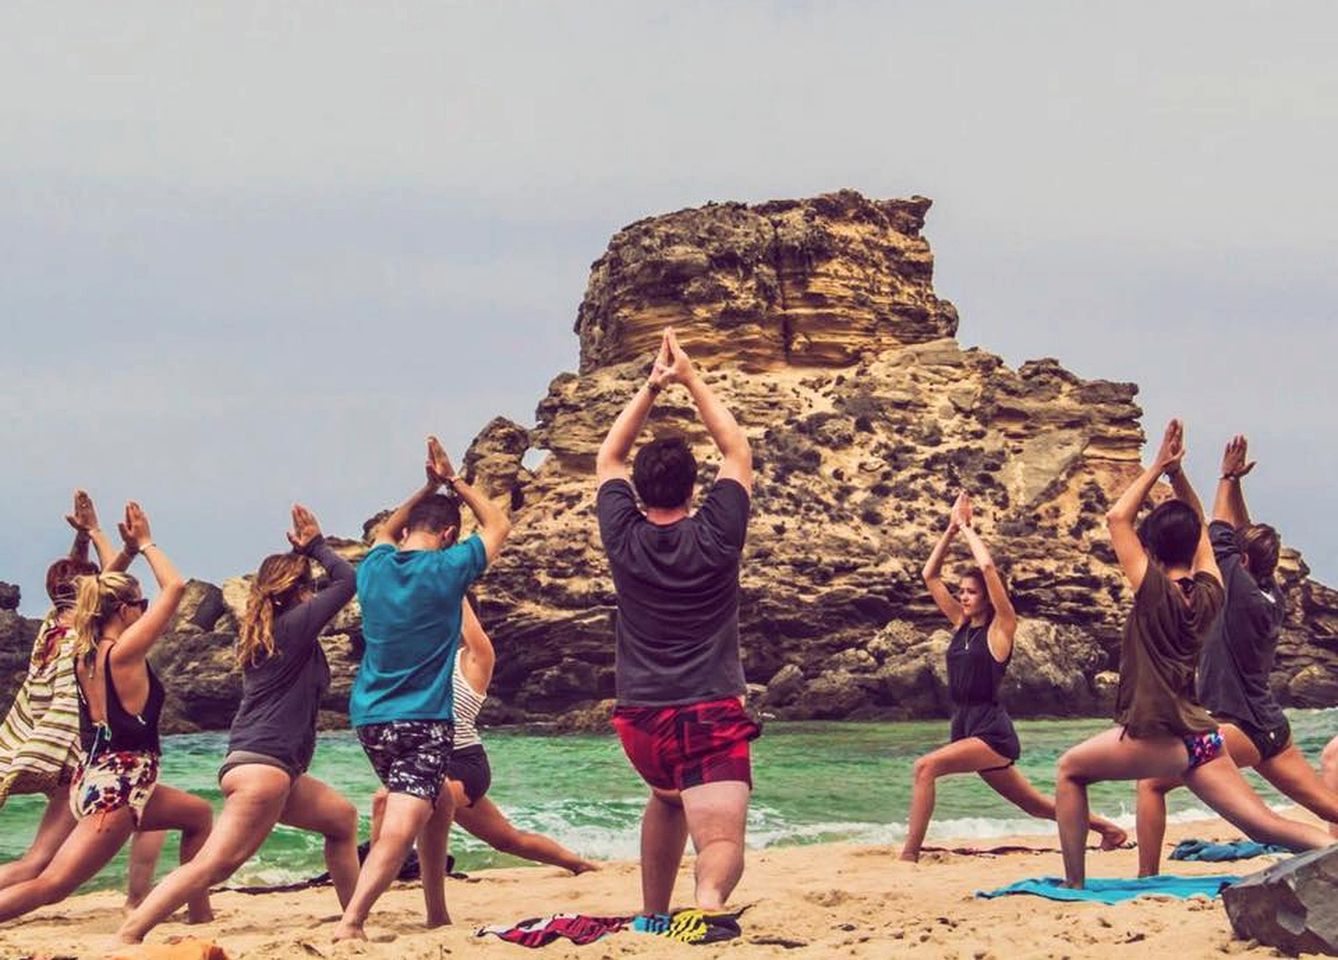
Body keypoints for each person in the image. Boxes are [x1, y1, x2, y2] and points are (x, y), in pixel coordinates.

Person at [1053, 421, 1334, 888]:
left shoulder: (1153, 593)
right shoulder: (1213, 591)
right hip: (1203, 737)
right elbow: (1205, 530)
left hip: (1158, 735)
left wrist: (1159, 467)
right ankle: (1329, 849)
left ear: (1151, 551)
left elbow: (1116, 519)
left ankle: (1074, 883)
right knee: (1265, 824)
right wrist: (1179, 478)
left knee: (1069, 771)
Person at [120, 504, 361, 942]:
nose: (316, 595)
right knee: (214, 865)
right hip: (264, 771)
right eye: (310, 588)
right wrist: (317, 547)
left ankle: (352, 924)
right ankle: (130, 934)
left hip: (270, 767)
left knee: (341, 820)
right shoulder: (291, 628)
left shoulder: (272, 632)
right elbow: (348, 581)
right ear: (299, 591)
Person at [596, 327, 758, 932]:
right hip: (710, 712)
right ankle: (708, 907)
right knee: (719, 840)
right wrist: (690, 378)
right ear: (696, 488)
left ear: (637, 492)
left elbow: (608, 456)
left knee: (667, 799)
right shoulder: (717, 532)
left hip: (640, 718)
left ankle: (654, 915)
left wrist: (650, 387)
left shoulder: (624, 534)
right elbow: (736, 451)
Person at [333, 437, 511, 941]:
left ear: (409, 529)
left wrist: (426, 486)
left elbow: (388, 530)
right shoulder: (450, 566)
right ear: (451, 534)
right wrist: (454, 480)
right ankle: (353, 922)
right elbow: (498, 524)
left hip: (370, 718)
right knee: (402, 822)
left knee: (434, 804)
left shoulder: (374, 567)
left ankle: (436, 912)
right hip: (423, 720)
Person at [0, 503, 214, 924]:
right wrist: (147, 543)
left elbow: (91, 593)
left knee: (198, 815)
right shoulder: (123, 654)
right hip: (115, 789)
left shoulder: (82, 649)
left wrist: (99, 538)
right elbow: (175, 589)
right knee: (52, 885)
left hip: (111, 778)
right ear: (124, 610)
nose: (144, 609)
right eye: (140, 604)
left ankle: (201, 917)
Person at [1136, 436, 1338, 874]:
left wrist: (1223, 477)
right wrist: (1227, 487)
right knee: (1331, 808)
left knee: (1151, 783)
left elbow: (1209, 528)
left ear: (1239, 560)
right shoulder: (1270, 594)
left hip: (1237, 725)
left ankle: (1144, 876)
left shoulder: (1231, 584)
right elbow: (1231, 531)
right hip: (1270, 727)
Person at [900, 492, 1127, 862]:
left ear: (989, 597)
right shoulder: (960, 625)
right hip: (964, 725)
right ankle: (1109, 830)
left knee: (925, 767)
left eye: (971, 592)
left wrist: (970, 530)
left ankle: (909, 855)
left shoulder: (1001, 629)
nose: (965, 597)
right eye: (962, 592)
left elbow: (988, 569)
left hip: (990, 731)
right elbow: (929, 574)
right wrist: (951, 529)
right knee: (1035, 806)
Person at [369, 599, 599, 881]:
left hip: (464, 765)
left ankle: (375, 877)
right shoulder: (420, 665)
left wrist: (452, 586)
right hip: (425, 762)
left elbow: (466, 623)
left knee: (385, 800)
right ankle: (581, 865)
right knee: (507, 840)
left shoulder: (473, 659)